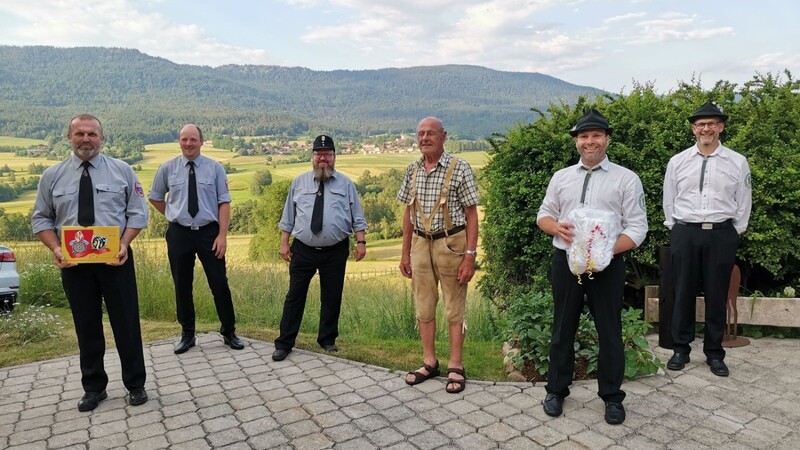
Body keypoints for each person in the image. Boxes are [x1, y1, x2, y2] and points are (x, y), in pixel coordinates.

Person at [536, 109, 648, 424]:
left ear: (607, 139)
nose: (590, 141)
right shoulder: (561, 177)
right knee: (562, 328)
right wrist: (555, 227)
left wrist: (601, 251)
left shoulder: (626, 178)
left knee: (610, 331)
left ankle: (612, 397)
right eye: (584, 136)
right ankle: (556, 390)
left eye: (596, 135)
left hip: (607, 267)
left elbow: (638, 228)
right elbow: (544, 213)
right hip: (567, 264)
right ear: (576, 142)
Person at [31, 114, 149, 411]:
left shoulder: (122, 171)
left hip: (116, 260)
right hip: (74, 265)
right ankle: (94, 388)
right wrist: (56, 249)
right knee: (86, 326)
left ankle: (135, 385)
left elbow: (138, 213)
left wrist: (124, 244)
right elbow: (41, 218)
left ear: (102, 138)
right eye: (80, 134)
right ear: (69, 137)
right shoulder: (52, 176)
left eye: (92, 134)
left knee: (127, 324)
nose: (86, 139)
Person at [663, 101, 752, 377]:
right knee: (683, 292)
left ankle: (714, 353)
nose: (706, 128)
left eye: (712, 124)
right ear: (693, 129)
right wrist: (675, 227)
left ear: (721, 127)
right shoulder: (678, 161)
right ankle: (681, 349)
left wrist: (734, 230)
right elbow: (669, 199)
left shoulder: (737, 161)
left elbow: (744, 200)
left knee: (717, 294)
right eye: (701, 124)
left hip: (721, 233)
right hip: (686, 232)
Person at [397, 117, 479, 394]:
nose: (424, 138)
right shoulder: (412, 170)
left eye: (431, 133)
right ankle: (429, 362)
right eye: (420, 133)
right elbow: (408, 214)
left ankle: (456, 364)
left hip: (451, 243)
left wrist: (470, 255)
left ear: (444, 136)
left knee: (454, 307)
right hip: (420, 243)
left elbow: (471, 214)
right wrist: (405, 253)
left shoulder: (460, 168)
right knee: (423, 306)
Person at [149, 124, 244, 354]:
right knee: (182, 285)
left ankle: (229, 331)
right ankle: (188, 334)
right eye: (184, 139)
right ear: (179, 142)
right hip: (179, 233)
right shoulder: (167, 168)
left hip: (209, 233)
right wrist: (173, 214)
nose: (188, 144)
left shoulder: (215, 169)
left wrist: (222, 235)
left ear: (201, 141)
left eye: (193, 139)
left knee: (219, 282)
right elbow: (155, 197)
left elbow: (224, 202)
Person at [272, 135, 368, 361]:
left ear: (334, 157)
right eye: (318, 154)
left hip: (335, 250)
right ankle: (284, 343)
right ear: (312, 157)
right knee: (294, 295)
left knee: (332, 296)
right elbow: (288, 216)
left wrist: (361, 242)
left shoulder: (346, 184)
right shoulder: (299, 182)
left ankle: (327, 339)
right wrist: (284, 243)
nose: (322, 158)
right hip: (303, 249)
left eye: (327, 154)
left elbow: (358, 217)